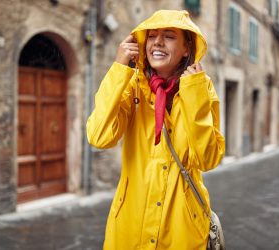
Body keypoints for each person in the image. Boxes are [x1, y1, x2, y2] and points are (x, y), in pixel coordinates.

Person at [87, 9, 225, 249]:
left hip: (183, 227)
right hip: (131, 223)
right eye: (151, 36)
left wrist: (194, 95)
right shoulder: (132, 86)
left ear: (186, 48)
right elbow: (99, 136)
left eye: (169, 36)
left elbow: (208, 159)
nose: (158, 42)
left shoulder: (202, 88)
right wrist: (119, 69)